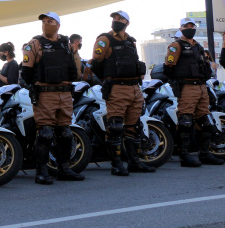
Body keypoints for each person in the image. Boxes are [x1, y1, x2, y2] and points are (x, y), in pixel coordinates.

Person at [20, 13, 84, 184]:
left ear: (58, 25)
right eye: (44, 21)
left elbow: (75, 71)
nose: (46, 24)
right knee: (45, 134)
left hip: (65, 93)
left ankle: (64, 169)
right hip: (45, 94)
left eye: (50, 21)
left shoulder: (66, 44)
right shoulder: (35, 43)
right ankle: (41, 172)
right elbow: (26, 72)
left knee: (65, 133)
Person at [90, 10, 155, 176]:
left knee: (134, 127)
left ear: (127, 23)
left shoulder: (131, 41)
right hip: (117, 87)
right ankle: (117, 164)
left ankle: (134, 161)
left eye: (120, 18)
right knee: (115, 126)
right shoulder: (105, 39)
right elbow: (96, 63)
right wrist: (107, 79)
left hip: (134, 88)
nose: (116, 20)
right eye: (115, 18)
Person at [164, 17, 224, 167]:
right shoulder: (176, 46)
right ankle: (185, 156)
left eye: (192, 26)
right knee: (185, 121)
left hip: (202, 86)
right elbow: (168, 68)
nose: (189, 28)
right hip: (187, 87)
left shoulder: (198, 47)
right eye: (186, 26)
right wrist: (178, 83)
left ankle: (204, 153)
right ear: (181, 29)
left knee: (204, 119)